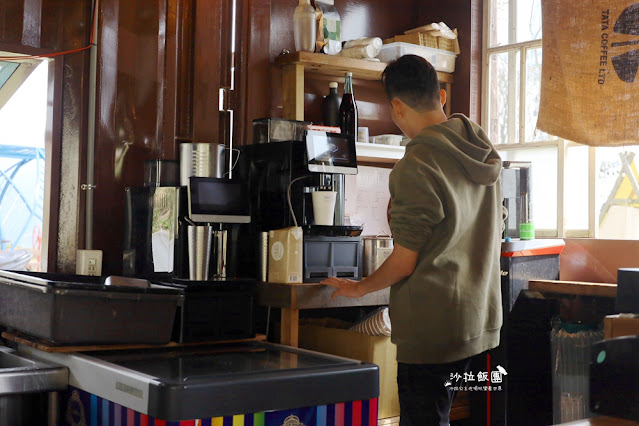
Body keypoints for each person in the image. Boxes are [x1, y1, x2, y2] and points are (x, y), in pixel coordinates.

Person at [321, 54, 503, 426]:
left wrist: (360, 288)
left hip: (432, 329)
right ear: (441, 95)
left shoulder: (417, 165)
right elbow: (495, 226)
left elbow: (405, 260)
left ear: (397, 107)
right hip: (479, 323)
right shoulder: (483, 152)